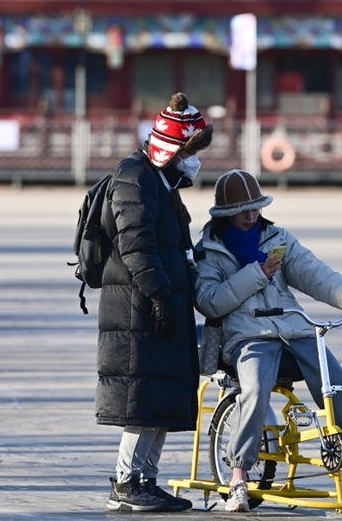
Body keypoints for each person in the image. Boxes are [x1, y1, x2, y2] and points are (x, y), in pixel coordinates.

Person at [194, 170, 342, 512]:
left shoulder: (277, 237)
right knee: (256, 391)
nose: (251, 215)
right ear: (225, 212)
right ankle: (238, 479)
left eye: (256, 207)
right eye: (243, 209)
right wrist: (256, 274)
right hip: (248, 337)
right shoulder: (210, 250)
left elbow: (313, 271)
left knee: (340, 389)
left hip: (296, 330)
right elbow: (209, 300)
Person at [97, 92, 212, 513]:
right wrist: (161, 296)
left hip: (160, 301)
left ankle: (147, 479)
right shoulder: (136, 178)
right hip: (137, 305)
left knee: (160, 395)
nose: (196, 161)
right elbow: (136, 245)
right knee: (141, 397)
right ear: (172, 149)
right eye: (191, 152)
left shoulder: (162, 183)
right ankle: (126, 482)